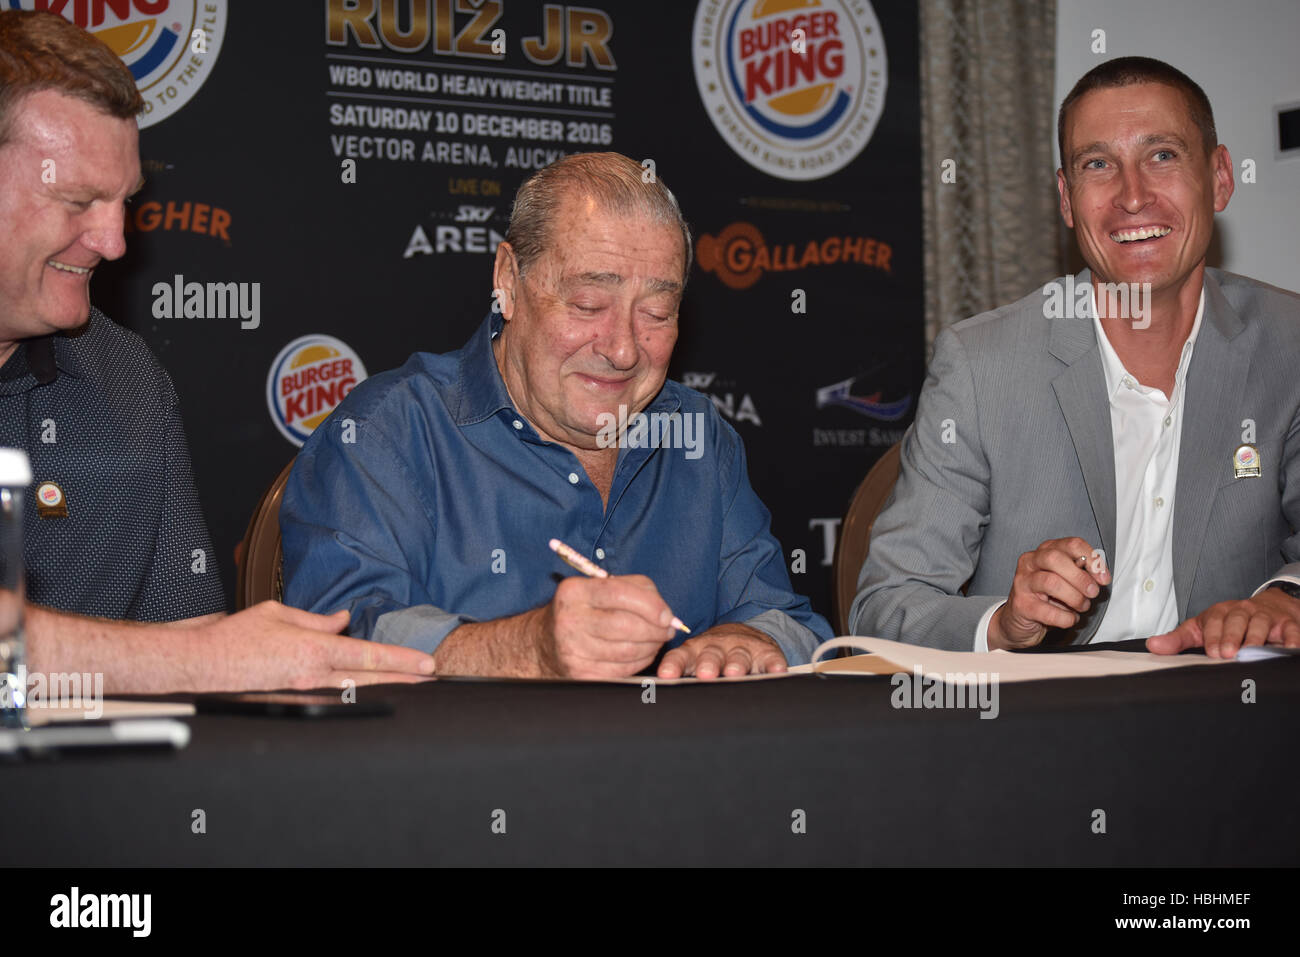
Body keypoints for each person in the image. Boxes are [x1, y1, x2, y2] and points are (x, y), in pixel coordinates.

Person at [0, 10, 434, 692]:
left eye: (124, 203)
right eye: (79, 199)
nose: (114, 242)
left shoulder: (130, 382)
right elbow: (190, 659)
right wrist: (195, 658)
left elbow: (190, 634)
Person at [281, 152, 832, 679]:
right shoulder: (389, 432)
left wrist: (750, 640)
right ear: (508, 281)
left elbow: (788, 621)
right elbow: (335, 640)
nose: (623, 349)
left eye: (657, 313)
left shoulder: (699, 437)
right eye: (588, 304)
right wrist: (529, 650)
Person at [851, 56, 1300, 658]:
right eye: (1098, 165)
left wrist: (1285, 598)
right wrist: (1003, 625)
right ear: (1067, 200)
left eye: (1162, 155)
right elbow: (885, 606)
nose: (1133, 196)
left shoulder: (1289, 343)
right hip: (1040, 730)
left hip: (1228, 720)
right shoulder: (981, 365)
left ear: (1220, 177)